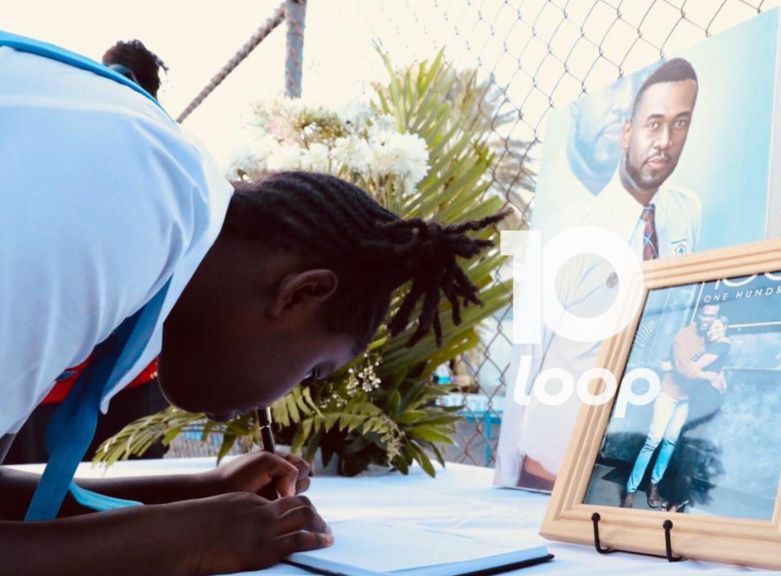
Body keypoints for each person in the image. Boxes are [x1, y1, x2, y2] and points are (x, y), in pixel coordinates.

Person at [0, 32, 502, 575]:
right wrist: (172, 544)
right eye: (312, 371)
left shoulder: (154, 187)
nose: (292, 393)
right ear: (302, 293)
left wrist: (190, 496)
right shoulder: (112, 229)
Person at [506, 58, 704, 490]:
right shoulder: (564, 231)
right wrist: (510, 475)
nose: (665, 141)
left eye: (679, 123)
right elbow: (527, 355)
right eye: (653, 124)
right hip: (554, 469)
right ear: (626, 133)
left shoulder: (685, 210)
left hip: (635, 463)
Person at [8, 39, 170, 465]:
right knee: (127, 497)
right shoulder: (167, 155)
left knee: (36, 500)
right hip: (108, 376)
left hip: (59, 374)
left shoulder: (69, 132)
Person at [622, 305, 730, 509]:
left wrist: (720, 372)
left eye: (712, 317)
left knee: (670, 442)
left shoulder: (711, 338)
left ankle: (653, 486)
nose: (708, 320)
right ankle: (630, 490)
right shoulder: (683, 336)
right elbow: (684, 368)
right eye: (705, 315)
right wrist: (708, 375)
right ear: (699, 315)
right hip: (669, 394)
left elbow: (715, 358)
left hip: (686, 399)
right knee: (652, 441)